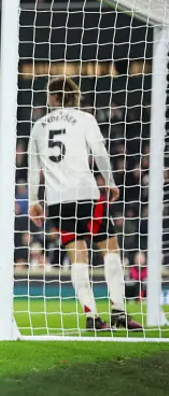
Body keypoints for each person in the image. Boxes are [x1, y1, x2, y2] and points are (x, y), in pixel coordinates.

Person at [27, 77, 142, 331]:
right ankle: (119, 312)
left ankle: (92, 317)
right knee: (110, 251)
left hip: (57, 202)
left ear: (55, 97)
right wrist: (110, 181)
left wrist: (34, 200)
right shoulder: (84, 118)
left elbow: (33, 168)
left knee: (78, 257)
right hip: (87, 195)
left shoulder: (38, 126)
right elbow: (100, 153)